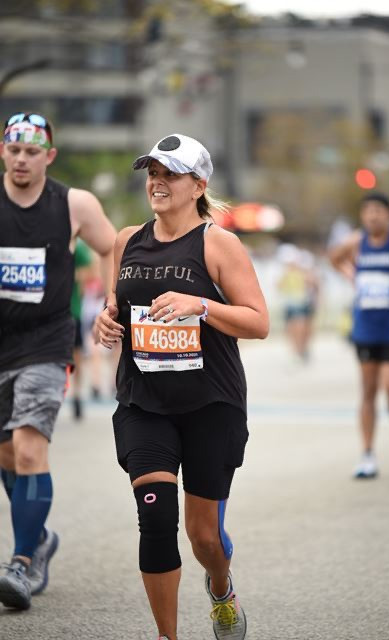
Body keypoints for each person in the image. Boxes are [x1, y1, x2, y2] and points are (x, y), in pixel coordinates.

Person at [96, 133, 269, 640]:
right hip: (144, 402)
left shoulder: (218, 243)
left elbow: (258, 322)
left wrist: (203, 305)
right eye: (152, 172)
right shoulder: (126, 240)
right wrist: (106, 321)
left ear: (198, 185)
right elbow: (117, 306)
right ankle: (166, 636)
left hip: (210, 404)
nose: (157, 182)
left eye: (170, 174)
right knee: (155, 521)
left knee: (203, 537)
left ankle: (221, 588)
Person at [0, 112, 116, 610]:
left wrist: (111, 303)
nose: (22, 159)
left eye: (32, 151)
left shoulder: (74, 204)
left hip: (46, 342)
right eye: (14, 150)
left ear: (49, 156)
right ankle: (41, 538)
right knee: (7, 455)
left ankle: (21, 562)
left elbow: (111, 246)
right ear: (3, 152)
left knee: (29, 450)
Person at [329, 191, 389, 479]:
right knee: (368, 390)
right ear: (362, 215)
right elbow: (334, 257)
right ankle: (367, 454)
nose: (373, 216)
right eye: (368, 211)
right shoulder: (355, 242)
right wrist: (350, 275)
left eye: (378, 211)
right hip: (366, 327)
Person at [276, 244, 319, 361]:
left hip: (302, 302)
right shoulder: (286, 272)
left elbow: (313, 283)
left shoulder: (303, 270)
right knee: (293, 328)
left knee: (303, 327)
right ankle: (297, 350)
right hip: (291, 303)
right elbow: (279, 286)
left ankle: (302, 349)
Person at [70, 238, 94, 420]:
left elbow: (89, 271)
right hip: (48, 315)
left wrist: (63, 273)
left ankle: (76, 394)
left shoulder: (77, 246)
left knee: (77, 357)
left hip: (73, 311)